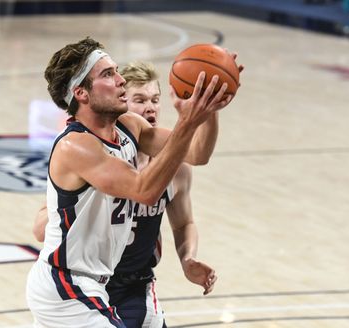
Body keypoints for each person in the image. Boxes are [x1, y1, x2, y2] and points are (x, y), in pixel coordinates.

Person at [26, 36, 239, 328]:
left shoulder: (129, 127)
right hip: (66, 286)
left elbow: (196, 153)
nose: (120, 80)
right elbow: (145, 190)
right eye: (108, 74)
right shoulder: (76, 146)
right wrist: (187, 122)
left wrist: (209, 107)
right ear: (81, 93)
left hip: (103, 283)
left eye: (115, 70)